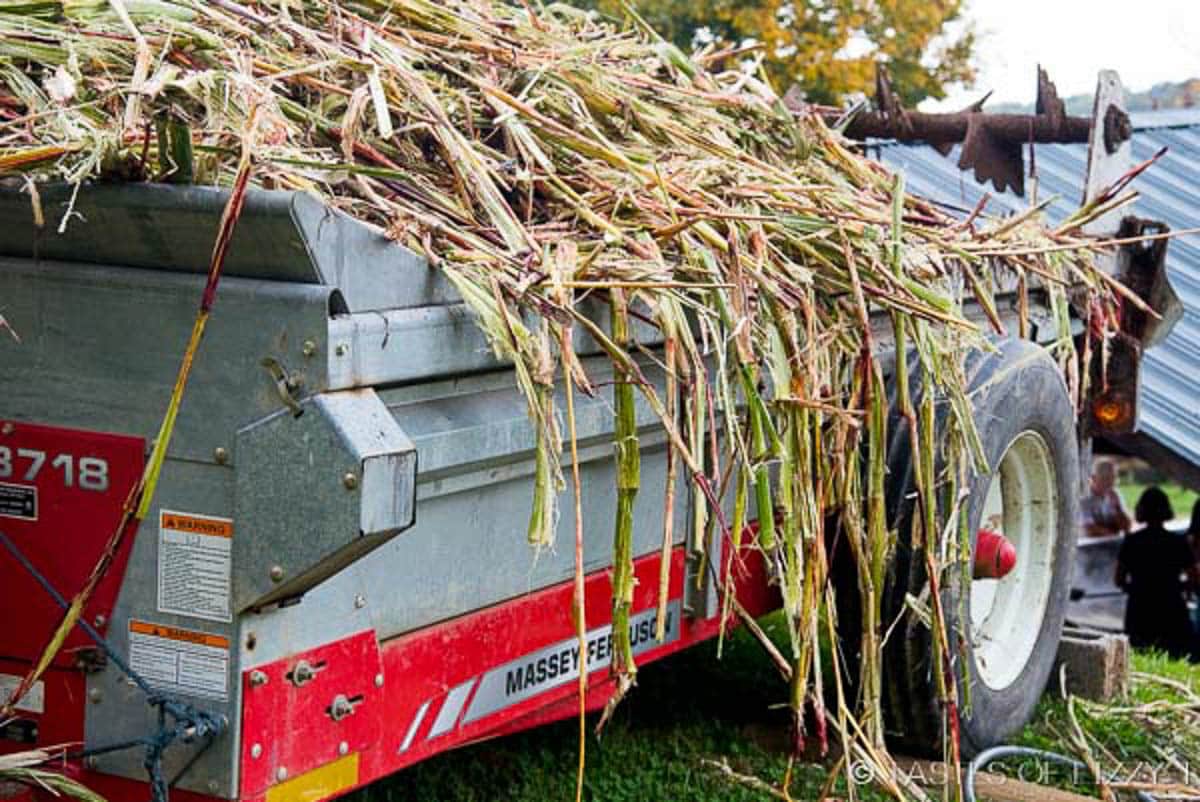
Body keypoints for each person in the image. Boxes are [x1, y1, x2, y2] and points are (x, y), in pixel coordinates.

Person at [1115, 487, 1198, 660]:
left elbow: (1119, 579)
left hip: (1140, 610)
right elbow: (1194, 577)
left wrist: (1133, 587)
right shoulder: (1177, 542)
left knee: (1140, 654)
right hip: (1172, 609)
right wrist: (1181, 587)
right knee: (1176, 656)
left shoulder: (1132, 542)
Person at [1080, 460, 1133, 538]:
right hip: (1089, 546)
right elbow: (1090, 529)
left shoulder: (1115, 494)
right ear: (1093, 478)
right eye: (1106, 478)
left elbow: (1126, 527)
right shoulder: (1084, 498)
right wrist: (1114, 534)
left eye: (1114, 478)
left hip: (1109, 544)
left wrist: (1118, 508)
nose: (1111, 483)